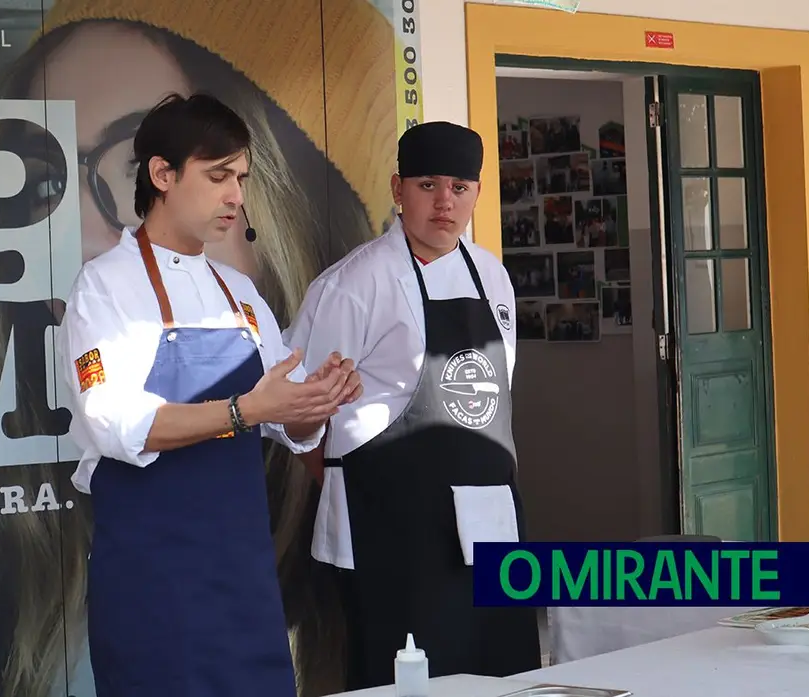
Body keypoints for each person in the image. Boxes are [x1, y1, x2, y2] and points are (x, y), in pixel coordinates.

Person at [56, 92, 361, 697]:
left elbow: (286, 422)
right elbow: (114, 423)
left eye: (241, 178)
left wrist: (313, 405)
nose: (236, 196)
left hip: (244, 578)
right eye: (218, 175)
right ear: (161, 175)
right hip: (154, 583)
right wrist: (245, 410)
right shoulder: (103, 289)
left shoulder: (240, 292)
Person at [283, 121, 542, 687]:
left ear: (477, 193)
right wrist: (352, 489)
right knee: (409, 679)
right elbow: (294, 407)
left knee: (506, 672)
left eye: (459, 187)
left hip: (492, 521)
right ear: (398, 190)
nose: (444, 203)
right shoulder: (356, 284)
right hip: (393, 532)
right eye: (427, 186)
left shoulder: (493, 277)